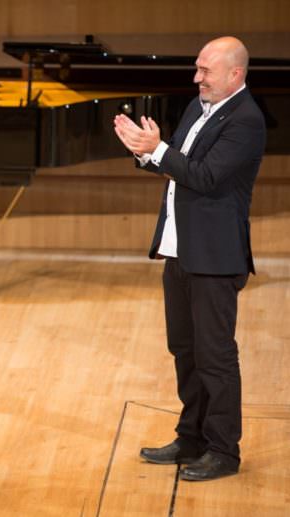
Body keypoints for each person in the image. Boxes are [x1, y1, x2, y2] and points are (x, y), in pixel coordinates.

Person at [114, 36, 266, 481]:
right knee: (184, 349)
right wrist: (145, 153)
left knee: (215, 356)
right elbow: (175, 162)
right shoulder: (198, 106)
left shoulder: (247, 120)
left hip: (215, 258)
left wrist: (157, 150)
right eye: (198, 69)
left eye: (206, 70)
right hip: (180, 250)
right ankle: (192, 437)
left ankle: (223, 451)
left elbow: (206, 177)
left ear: (235, 74)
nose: (196, 77)